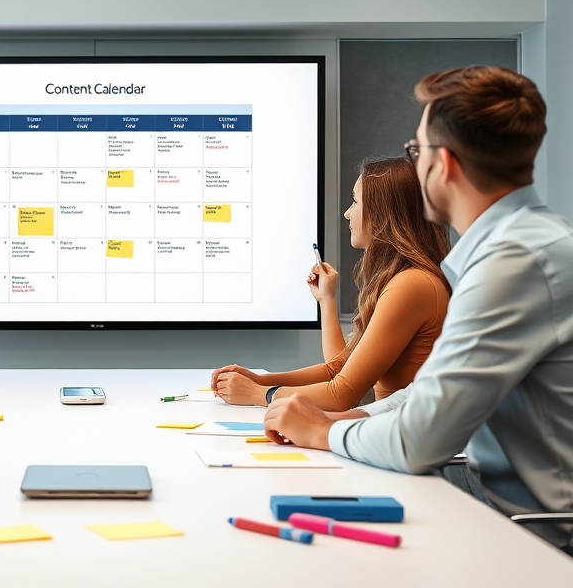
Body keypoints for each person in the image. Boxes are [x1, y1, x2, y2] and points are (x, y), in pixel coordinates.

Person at [264, 65, 573, 553]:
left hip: (527, 531)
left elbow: (418, 442)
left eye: (417, 151)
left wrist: (325, 431)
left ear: (443, 164)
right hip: (495, 500)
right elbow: (424, 395)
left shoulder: (514, 263)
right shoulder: (515, 248)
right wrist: (346, 420)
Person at [211, 157, 451, 411]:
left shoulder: (413, 284)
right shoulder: (408, 279)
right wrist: (260, 380)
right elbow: (339, 368)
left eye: (356, 200)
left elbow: (342, 395)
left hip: (401, 438)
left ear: (384, 212)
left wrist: (262, 394)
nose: (347, 212)